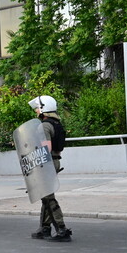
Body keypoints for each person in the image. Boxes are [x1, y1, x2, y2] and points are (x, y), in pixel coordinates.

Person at [28, 95, 72, 242]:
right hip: (54, 161)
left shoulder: (44, 126)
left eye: (38, 107)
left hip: (47, 162)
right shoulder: (56, 124)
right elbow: (58, 149)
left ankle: (62, 229)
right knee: (45, 195)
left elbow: (46, 148)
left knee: (48, 197)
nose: (36, 110)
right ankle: (44, 228)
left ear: (43, 108)